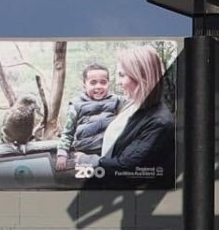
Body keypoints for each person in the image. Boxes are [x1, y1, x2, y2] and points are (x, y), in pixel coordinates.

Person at [77, 44, 177, 187]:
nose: (117, 82)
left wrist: (87, 160)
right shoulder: (132, 105)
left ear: (142, 76)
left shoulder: (160, 123)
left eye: (122, 75)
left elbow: (127, 168)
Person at [65, 63, 120, 155]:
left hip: (110, 150)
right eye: (93, 82)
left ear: (108, 83)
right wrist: (62, 153)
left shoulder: (116, 100)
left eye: (103, 82)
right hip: (85, 152)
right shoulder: (76, 104)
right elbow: (68, 132)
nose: (98, 86)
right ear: (84, 84)